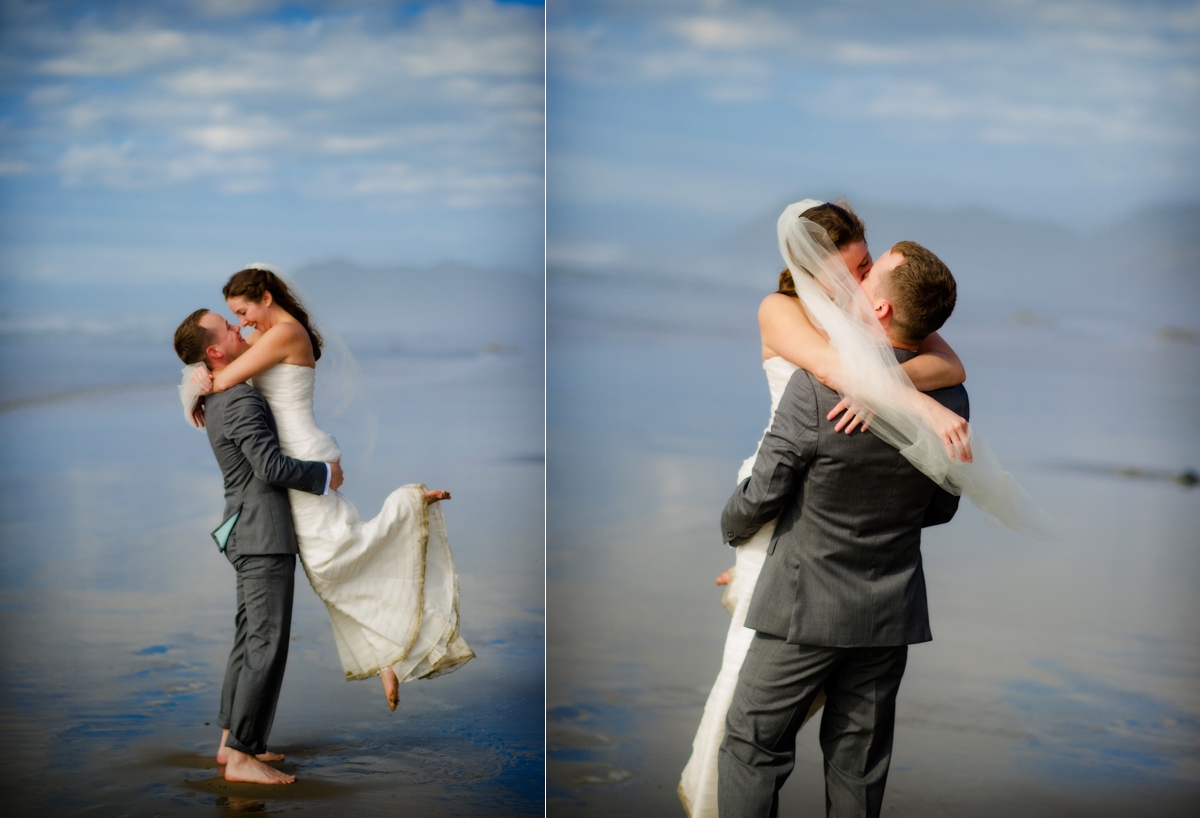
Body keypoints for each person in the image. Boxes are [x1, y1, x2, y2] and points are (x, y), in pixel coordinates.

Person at [679, 201, 969, 817]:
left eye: (868, 265)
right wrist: (929, 404)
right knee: (858, 762)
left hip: (804, 564)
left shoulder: (835, 383)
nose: (862, 280)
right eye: (853, 269)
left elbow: (944, 362)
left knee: (755, 739)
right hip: (881, 590)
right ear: (812, 269)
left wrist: (892, 392)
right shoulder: (786, 314)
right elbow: (939, 503)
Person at [180, 267, 474, 715]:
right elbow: (224, 366)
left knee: (332, 561)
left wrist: (197, 386)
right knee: (330, 565)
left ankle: (407, 506)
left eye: (242, 312)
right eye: (233, 318)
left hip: (300, 459)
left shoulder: (284, 333)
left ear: (264, 297)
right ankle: (386, 657)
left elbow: (222, 378)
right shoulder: (266, 336)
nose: (241, 323)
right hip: (296, 459)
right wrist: (202, 375)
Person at [173, 308, 343, 784]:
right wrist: (326, 475)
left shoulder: (221, 396)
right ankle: (244, 756)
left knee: (249, 639)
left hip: (243, 530)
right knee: (266, 644)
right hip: (263, 535)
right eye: (228, 328)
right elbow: (270, 467)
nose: (238, 327)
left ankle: (232, 745)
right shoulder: (240, 399)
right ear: (215, 351)